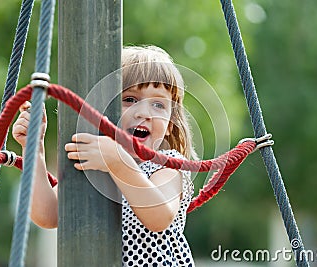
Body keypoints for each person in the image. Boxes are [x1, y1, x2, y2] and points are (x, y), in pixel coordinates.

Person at [12, 45, 196, 266]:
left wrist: (117, 161)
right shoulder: (93, 162)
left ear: (170, 123)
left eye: (158, 104)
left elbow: (159, 216)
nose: (143, 113)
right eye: (130, 99)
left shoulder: (167, 166)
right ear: (104, 110)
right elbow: (47, 214)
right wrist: (34, 148)